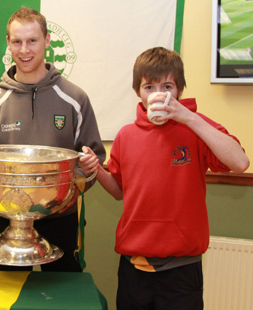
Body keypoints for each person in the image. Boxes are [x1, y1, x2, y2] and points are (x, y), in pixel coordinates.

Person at [80, 47, 250, 309]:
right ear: (138, 92)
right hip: (133, 265)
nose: (159, 94)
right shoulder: (126, 135)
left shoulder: (196, 127)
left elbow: (239, 163)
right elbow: (118, 191)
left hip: (182, 268)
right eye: (149, 87)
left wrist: (189, 117)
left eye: (167, 86)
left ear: (180, 89)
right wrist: (97, 169)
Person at [0, 6, 106, 272]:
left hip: (60, 220)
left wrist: (89, 169)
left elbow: (93, 160)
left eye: (32, 41)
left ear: (46, 41)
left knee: (60, 298)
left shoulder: (75, 99)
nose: (25, 50)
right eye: (17, 41)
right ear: (8, 43)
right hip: (4, 221)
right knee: (8, 298)